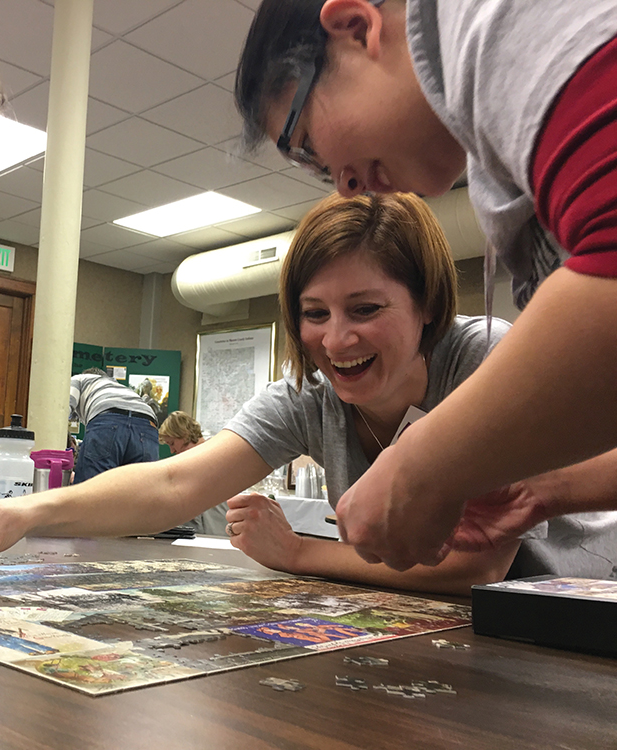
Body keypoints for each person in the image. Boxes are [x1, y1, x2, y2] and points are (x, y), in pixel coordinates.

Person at [0, 193, 617, 595]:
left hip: (568, 618)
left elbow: (478, 566)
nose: (337, 340)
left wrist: (302, 554)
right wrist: (12, 513)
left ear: (427, 305)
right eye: (315, 313)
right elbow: (173, 482)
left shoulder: (487, 356)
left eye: (366, 310)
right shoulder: (310, 395)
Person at [232, 0, 617, 571]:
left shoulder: (489, 19)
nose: (344, 185)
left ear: (356, 27)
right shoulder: (495, 162)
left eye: (306, 143)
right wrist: (540, 490)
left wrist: (422, 464)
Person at [69, 369, 160, 483]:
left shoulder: (79, 379)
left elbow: (63, 409)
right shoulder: (120, 387)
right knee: (140, 493)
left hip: (108, 419)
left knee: (91, 488)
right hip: (148, 423)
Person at [159, 411, 227, 536]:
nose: (172, 450)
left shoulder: (196, 461)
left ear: (183, 434)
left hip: (209, 536)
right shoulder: (217, 451)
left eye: (172, 443)